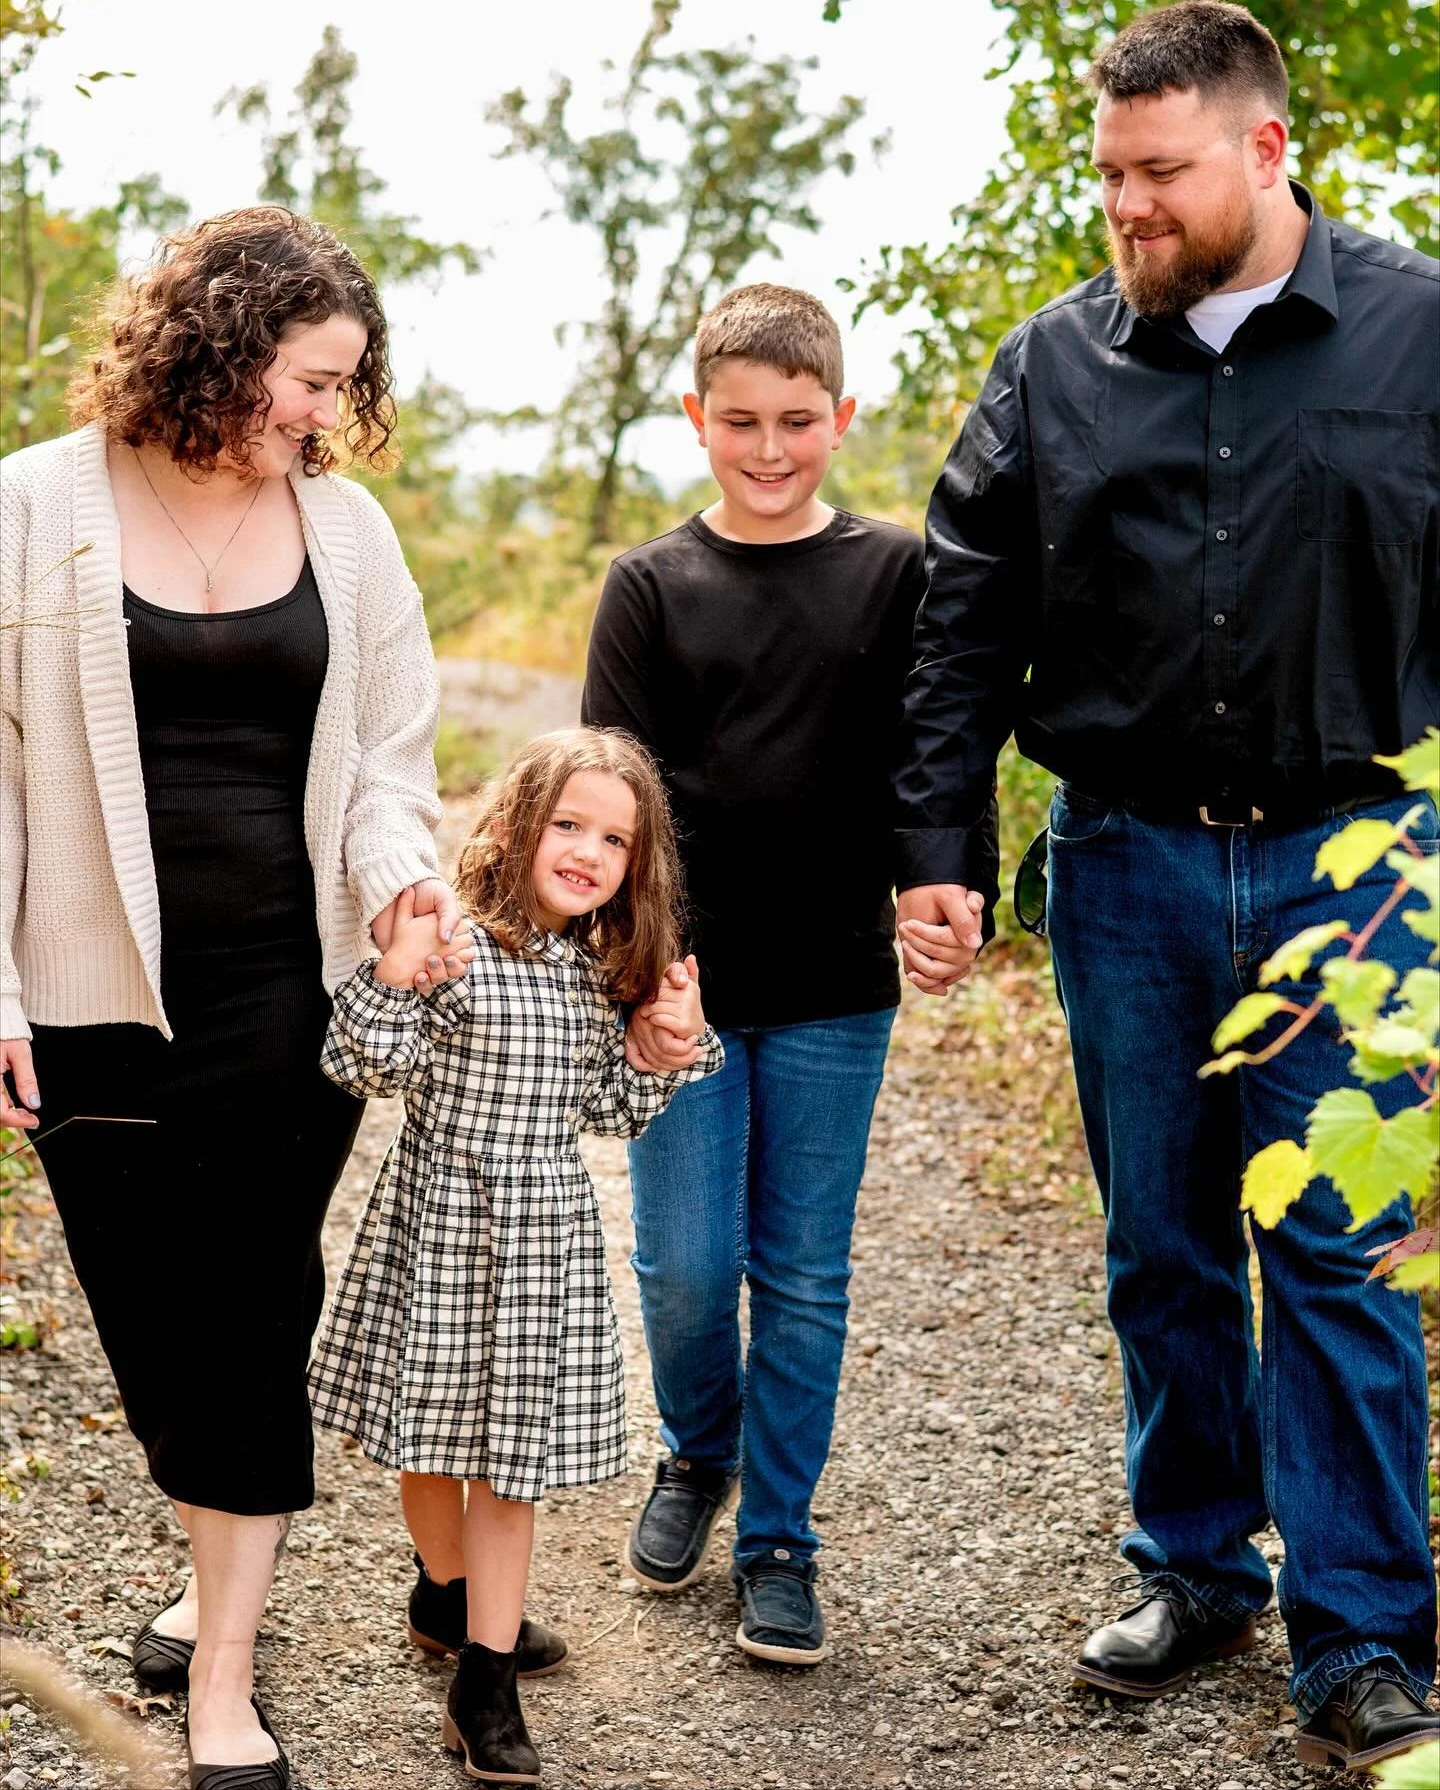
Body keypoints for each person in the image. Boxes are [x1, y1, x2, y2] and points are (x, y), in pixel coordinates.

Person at [893, 0, 1439, 1770]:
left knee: (1340, 1251)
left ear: (1268, 152)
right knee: (1163, 1249)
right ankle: (1199, 1564)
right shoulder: (1053, 366)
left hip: (1358, 866)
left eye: (1160, 173)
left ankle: (1361, 1631)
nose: (1126, 206)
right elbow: (962, 620)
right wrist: (939, 854)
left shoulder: (1420, 336)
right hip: (1122, 860)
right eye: (1109, 172)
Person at [0, 206, 468, 1790]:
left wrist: (403, 874)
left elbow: (389, 764)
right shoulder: (33, 506)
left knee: (256, 1307)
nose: (326, 415)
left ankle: (223, 1683)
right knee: (152, 1326)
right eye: (309, 381)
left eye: (345, 388)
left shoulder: (349, 535)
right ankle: (208, 1575)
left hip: (293, 997)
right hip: (88, 1000)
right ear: (219, 348)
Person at [582, 284, 939, 1667]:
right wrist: (647, 969)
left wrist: (936, 878)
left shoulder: (893, 574)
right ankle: (697, 1452)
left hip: (839, 985)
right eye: (741, 421)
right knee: (683, 1265)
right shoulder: (652, 586)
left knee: (801, 1271)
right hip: (681, 988)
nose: (771, 447)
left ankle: (780, 1538)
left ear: (841, 420)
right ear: (698, 420)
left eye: (799, 421)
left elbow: (926, 762)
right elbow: (615, 792)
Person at [309, 727, 722, 1783]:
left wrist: (658, 1052)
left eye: (616, 840)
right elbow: (361, 1064)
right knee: (435, 1444)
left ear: (639, 865)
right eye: (569, 824)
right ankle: (446, 1597)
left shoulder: (598, 975)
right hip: (441, 1223)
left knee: (512, 1463)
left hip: (543, 1240)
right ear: (517, 826)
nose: (588, 851)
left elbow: (608, 1110)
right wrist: (396, 975)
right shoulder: (454, 942)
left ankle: (484, 1680)